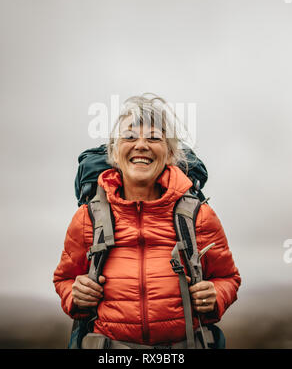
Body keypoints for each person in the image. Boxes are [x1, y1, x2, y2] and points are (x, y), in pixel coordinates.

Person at [53, 94, 241, 348]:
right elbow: (64, 279)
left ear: (170, 155)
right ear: (115, 154)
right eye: (129, 137)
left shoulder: (198, 215)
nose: (141, 145)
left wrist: (216, 296)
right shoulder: (88, 217)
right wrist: (75, 295)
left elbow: (227, 277)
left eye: (154, 137)